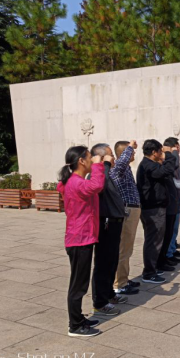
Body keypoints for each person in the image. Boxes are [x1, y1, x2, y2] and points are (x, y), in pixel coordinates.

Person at [57, 146, 106, 338]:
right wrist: (99, 166)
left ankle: (78, 319)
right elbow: (97, 186)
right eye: (89, 157)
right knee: (78, 285)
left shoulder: (73, 181)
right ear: (81, 161)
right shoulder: (76, 183)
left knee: (80, 282)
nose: (92, 159)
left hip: (81, 238)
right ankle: (75, 325)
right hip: (79, 239)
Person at [90, 143, 127, 317]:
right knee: (103, 263)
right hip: (106, 224)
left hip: (114, 223)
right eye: (110, 155)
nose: (113, 158)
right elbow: (100, 185)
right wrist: (103, 165)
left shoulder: (106, 172)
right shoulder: (96, 174)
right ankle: (100, 302)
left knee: (112, 261)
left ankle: (109, 293)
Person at [137, 139, 177, 284]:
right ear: (154, 152)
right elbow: (167, 170)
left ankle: (153, 267)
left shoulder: (150, 164)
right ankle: (149, 273)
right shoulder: (148, 165)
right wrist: (169, 154)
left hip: (155, 207)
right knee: (153, 241)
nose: (162, 154)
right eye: (160, 151)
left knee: (156, 240)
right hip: (153, 209)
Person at [111, 140, 142, 296]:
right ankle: (119, 284)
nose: (134, 153)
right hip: (127, 210)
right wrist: (130, 147)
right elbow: (121, 164)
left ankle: (124, 278)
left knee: (127, 248)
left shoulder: (126, 168)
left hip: (132, 209)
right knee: (124, 248)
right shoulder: (118, 168)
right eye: (131, 152)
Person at [163, 137, 180, 262]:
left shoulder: (173, 157)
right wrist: (174, 153)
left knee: (175, 227)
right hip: (172, 198)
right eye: (178, 147)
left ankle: (172, 249)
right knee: (171, 227)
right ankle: (168, 252)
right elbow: (174, 165)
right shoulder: (170, 158)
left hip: (177, 196)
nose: (179, 149)